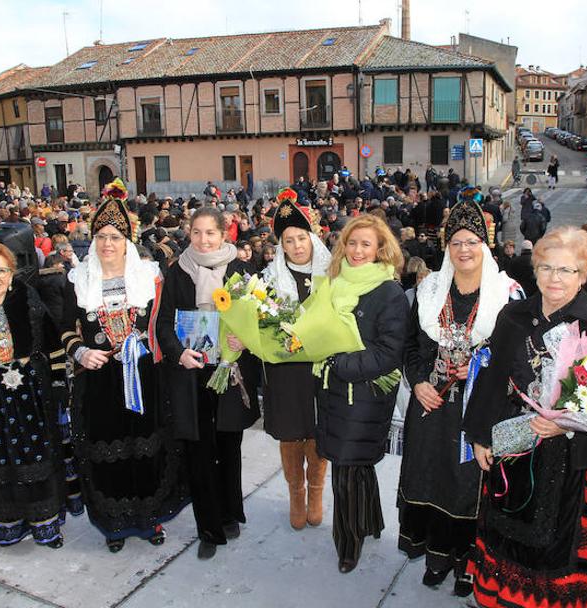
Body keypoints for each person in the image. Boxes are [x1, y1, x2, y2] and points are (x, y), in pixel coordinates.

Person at [463, 226, 587, 608]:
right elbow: (493, 381)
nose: (554, 278)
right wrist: (479, 437)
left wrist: (566, 424)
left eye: (566, 270)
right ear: (535, 269)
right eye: (546, 268)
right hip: (514, 444)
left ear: (584, 274)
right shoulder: (513, 317)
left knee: (560, 550)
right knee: (505, 537)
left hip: (575, 465)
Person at [398, 200, 522, 596]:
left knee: (469, 486)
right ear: (446, 247)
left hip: (479, 409)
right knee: (431, 479)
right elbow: (412, 347)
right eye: (455, 243)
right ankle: (437, 556)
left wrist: (480, 372)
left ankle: (469, 564)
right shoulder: (430, 290)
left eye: (471, 241)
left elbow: (517, 359)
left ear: (485, 245)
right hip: (431, 406)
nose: (463, 250)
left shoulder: (508, 296)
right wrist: (418, 383)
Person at [62, 182, 189, 552]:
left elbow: (165, 323)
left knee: (146, 449)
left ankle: (148, 519)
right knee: (106, 452)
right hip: (98, 382)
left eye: (114, 237)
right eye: (100, 236)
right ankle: (112, 524)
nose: (107, 244)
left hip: (145, 380)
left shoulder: (149, 277)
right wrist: (81, 351)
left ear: (127, 240)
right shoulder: (78, 280)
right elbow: (65, 329)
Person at [0, 243, 81, 547]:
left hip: (32, 395)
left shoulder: (28, 299)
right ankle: (4, 526)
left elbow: (53, 344)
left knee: (37, 459)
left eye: (1, 270)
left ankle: (45, 525)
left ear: (11, 274)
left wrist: (58, 385)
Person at [157, 206, 261, 560]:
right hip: (191, 373)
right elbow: (163, 325)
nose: (203, 240)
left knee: (229, 446)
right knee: (199, 451)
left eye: (210, 233)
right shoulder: (177, 273)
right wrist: (178, 354)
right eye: (197, 232)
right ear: (189, 233)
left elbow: (261, 319)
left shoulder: (242, 270)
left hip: (230, 372)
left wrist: (244, 340)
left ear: (224, 234)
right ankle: (209, 528)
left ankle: (231, 512)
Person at [314, 214, 408, 573]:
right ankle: (370, 523)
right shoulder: (334, 282)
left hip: (366, 392)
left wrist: (341, 365)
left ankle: (347, 543)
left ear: (380, 248)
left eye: (365, 244)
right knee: (357, 464)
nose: (357, 250)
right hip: (334, 390)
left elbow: (389, 351)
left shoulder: (389, 292)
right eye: (352, 243)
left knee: (346, 468)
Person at [260, 190, 332, 530]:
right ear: (281, 245)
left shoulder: (331, 275)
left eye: (301, 237)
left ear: (311, 237)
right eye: (289, 240)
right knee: (291, 432)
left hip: (319, 367)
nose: (297, 245)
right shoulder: (268, 280)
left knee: (316, 430)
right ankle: (295, 494)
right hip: (285, 369)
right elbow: (258, 321)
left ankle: (316, 493)